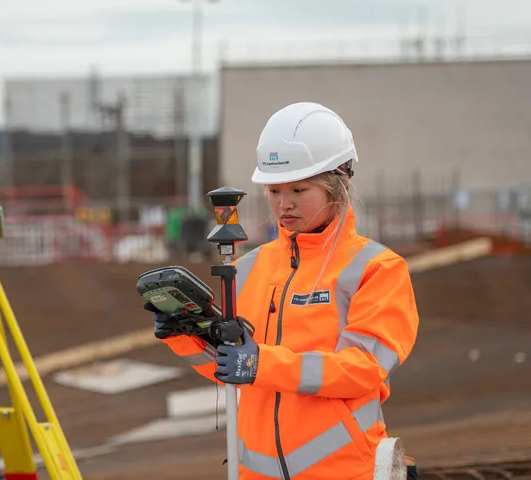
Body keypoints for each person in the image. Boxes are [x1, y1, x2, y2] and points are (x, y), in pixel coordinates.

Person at [149, 102, 420, 480]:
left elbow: (364, 369)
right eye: (274, 190)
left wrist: (263, 362)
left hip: (344, 471)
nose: (283, 203)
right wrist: (185, 334)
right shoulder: (247, 268)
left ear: (336, 186)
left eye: (298, 188)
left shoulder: (376, 269)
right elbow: (231, 369)